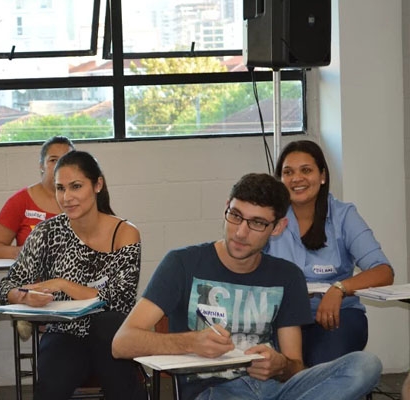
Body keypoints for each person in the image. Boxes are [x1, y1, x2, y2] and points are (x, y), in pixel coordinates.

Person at [112, 173, 382, 400]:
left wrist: (279, 366)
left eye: (257, 223)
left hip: (273, 391)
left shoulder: (287, 276)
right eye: (236, 216)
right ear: (226, 207)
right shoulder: (182, 263)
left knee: (365, 365)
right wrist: (189, 342)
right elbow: (122, 343)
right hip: (215, 392)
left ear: (277, 228)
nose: (241, 232)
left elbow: (295, 366)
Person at [0, 150, 146, 400]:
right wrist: (24, 296)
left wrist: (62, 284)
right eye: (60, 188)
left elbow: (120, 300)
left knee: (107, 326)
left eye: (76, 186)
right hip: (65, 333)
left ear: (97, 185)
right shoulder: (46, 232)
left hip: (111, 335)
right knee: (51, 383)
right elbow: (6, 288)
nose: (67, 197)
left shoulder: (124, 232)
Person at [266, 140, 394, 366]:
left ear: (322, 175)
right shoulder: (268, 217)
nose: (297, 179)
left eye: (306, 170)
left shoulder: (344, 216)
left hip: (337, 319)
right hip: (281, 320)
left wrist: (339, 289)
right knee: (274, 368)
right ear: (280, 180)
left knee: (322, 366)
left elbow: (383, 272)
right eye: (288, 172)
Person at [0, 135, 74, 260]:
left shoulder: (85, 199)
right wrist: (22, 252)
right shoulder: (21, 201)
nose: (59, 166)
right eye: (53, 160)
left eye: (66, 161)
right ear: (41, 166)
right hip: (34, 279)